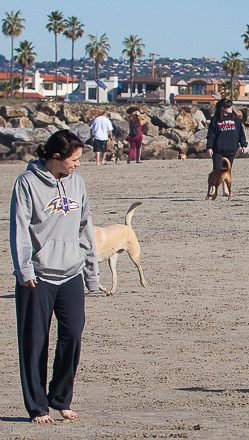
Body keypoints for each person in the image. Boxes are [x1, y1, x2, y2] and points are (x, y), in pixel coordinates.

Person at [10, 130, 99, 424]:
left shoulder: (77, 181)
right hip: (37, 276)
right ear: (56, 157)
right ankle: (38, 407)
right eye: (74, 160)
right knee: (34, 343)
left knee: (72, 335)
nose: (78, 164)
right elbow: (20, 228)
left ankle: (60, 398)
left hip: (71, 273)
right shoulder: (27, 183)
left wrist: (91, 271)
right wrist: (24, 269)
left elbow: (85, 225)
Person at [205, 98, 247, 171]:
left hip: (231, 150)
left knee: (227, 171)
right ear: (222, 107)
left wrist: (243, 145)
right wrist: (209, 147)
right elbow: (211, 134)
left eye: (231, 105)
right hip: (218, 150)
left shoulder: (236, 119)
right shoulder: (215, 119)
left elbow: (241, 133)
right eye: (228, 106)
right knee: (217, 171)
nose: (230, 107)